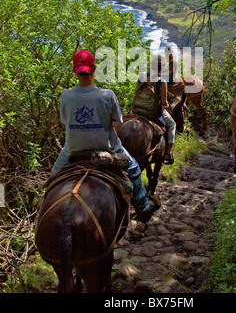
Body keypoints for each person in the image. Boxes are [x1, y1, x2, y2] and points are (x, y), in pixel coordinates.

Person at [51, 49, 160, 223]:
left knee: (52, 179)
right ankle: (143, 209)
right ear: (94, 69)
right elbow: (117, 120)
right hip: (107, 150)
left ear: (74, 71)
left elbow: (65, 121)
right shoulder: (107, 95)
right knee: (135, 171)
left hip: (72, 151)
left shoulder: (66, 96)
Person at [132, 55, 176, 165]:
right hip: (152, 112)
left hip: (137, 109)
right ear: (163, 67)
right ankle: (168, 153)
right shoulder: (162, 82)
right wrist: (167, 106)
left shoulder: (142, 75)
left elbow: (136, 91)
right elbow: (164, 102)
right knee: (172, 124)